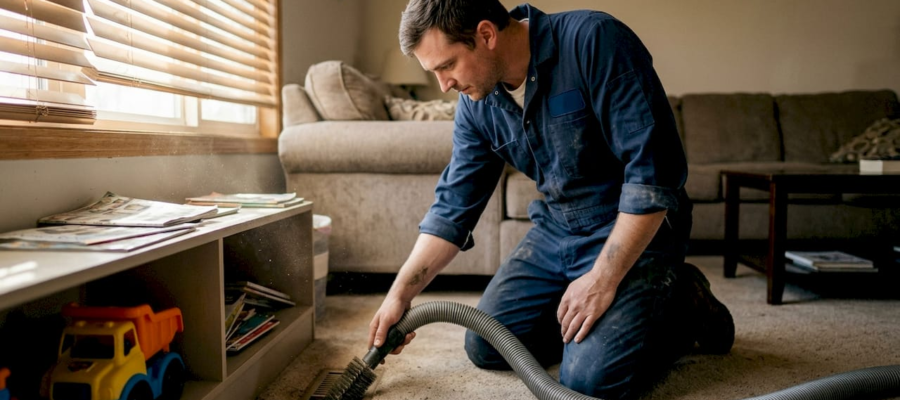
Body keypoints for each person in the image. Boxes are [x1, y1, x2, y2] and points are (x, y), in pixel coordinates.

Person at [367, 1, 735, 398]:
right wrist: (399, 295)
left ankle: (685, 303)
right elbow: (453, 206)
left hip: (633, 227)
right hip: (558, 227)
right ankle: (613, 322)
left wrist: (602, 280)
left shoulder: (595, 41)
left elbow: (653, 173)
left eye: (447, 66)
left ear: (486, 35)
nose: (444, 85)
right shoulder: (477, 105)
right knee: (488, 344)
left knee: (588, 382)